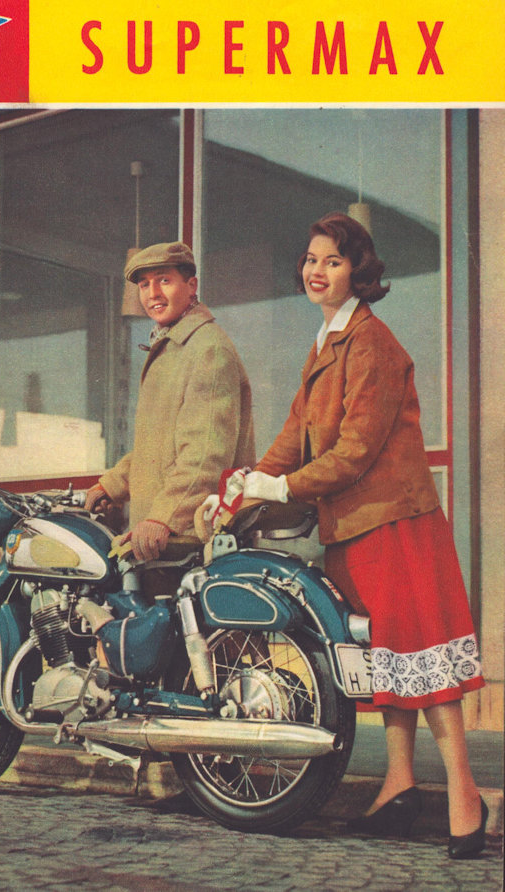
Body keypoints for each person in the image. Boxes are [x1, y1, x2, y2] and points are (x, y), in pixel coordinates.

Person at [209, 213, 487, 859]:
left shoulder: (371, 344)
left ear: (357, 271)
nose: (316, 271)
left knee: (423, 660)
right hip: (357, 528)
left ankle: (465, 797)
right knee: (389, 661)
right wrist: (249, 481)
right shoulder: (329, 340)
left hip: (395, 523)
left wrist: (281, 487)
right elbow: (296, 433)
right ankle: (399, 786)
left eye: (331, 261)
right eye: (311, 259)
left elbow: (356, 450)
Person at [86, 240, 255, 563]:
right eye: (144, 285)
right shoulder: (173, 347)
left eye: (164, 280)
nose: (153, 294)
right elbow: (158, 446)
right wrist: (111, 485)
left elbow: (205, 455)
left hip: (189, 541)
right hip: (162, 538)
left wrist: (163, 517)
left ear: (191, 286)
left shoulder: (207, 349)